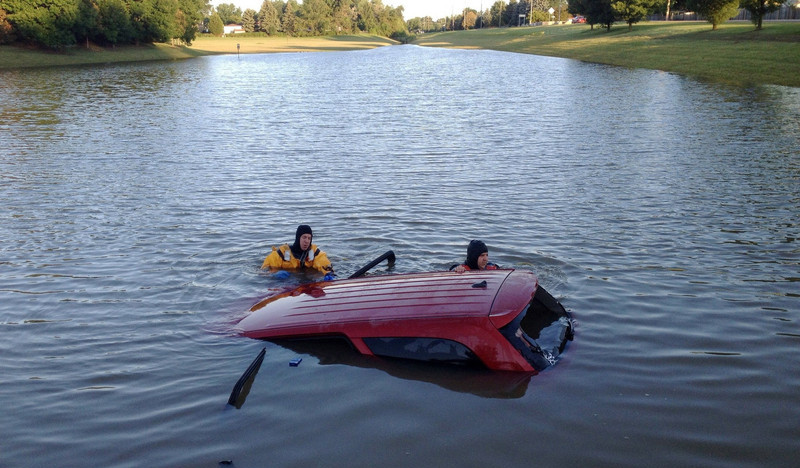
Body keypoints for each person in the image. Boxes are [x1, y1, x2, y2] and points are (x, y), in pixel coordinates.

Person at [262, 225, 334, 278]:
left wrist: (329, 274)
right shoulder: (280, 254)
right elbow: (263, 271)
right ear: (298, 238)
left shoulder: (315, 253)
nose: (307, 241)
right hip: (286, 283)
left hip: (308, 281)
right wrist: (273, 275)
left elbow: (325, 264)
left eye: (309, 238)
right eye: (304, 237)